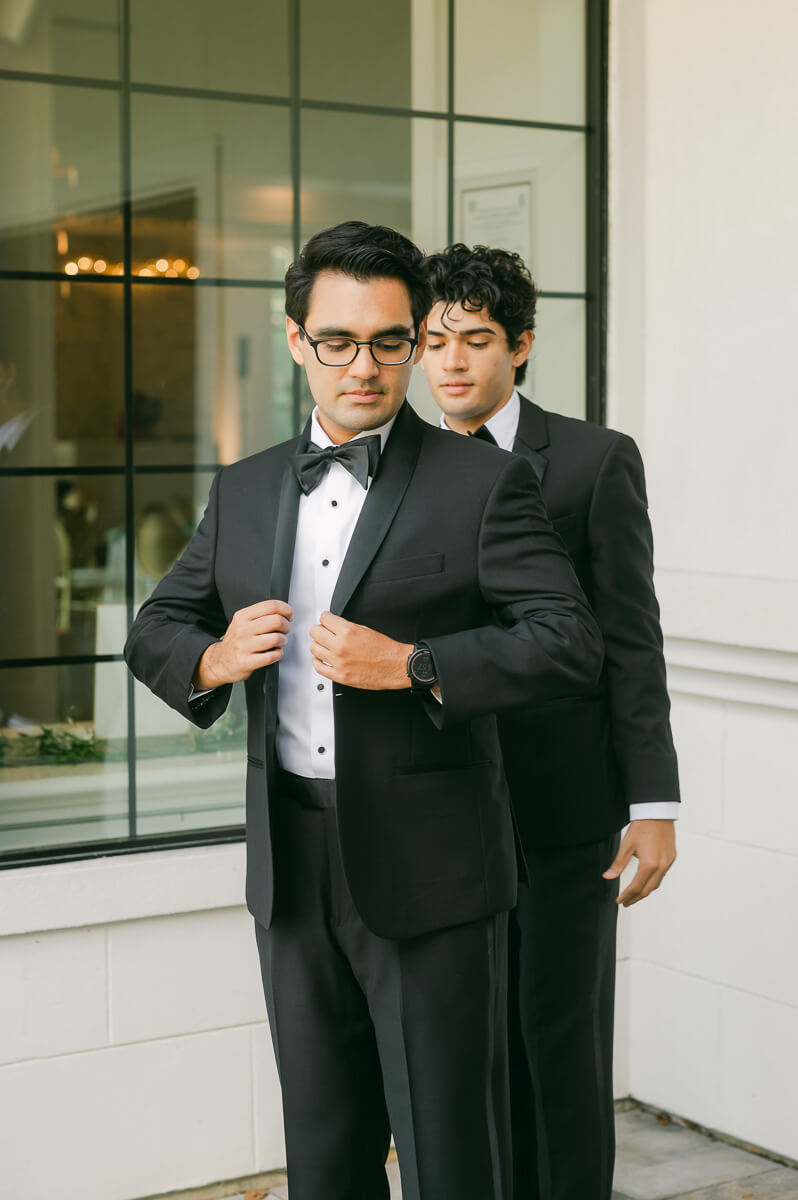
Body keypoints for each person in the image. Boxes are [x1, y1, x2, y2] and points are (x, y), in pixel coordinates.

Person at [125, 221, 603, 1200]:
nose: (366, 366)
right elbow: (156, 625)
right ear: (298, 340)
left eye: (391, 340)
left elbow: (569, 640)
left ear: (415, 340)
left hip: (435, 875)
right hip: (293, 870)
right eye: (337, 341)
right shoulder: (249, 486)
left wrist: (417, 664)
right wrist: (214, 656)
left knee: (449, 1158)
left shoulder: (485, 481)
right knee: (324, 1152)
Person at [421, 243, 680, 1200]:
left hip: (563, 808)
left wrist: (652, 800)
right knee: (459, 1050)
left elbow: (631, 638)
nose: (453, 363)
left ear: (521, 345)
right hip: (437, 805)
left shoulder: (592, 459)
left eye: (476, 341)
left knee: (557, 1038)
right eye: (435, 341)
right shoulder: (393, 465)